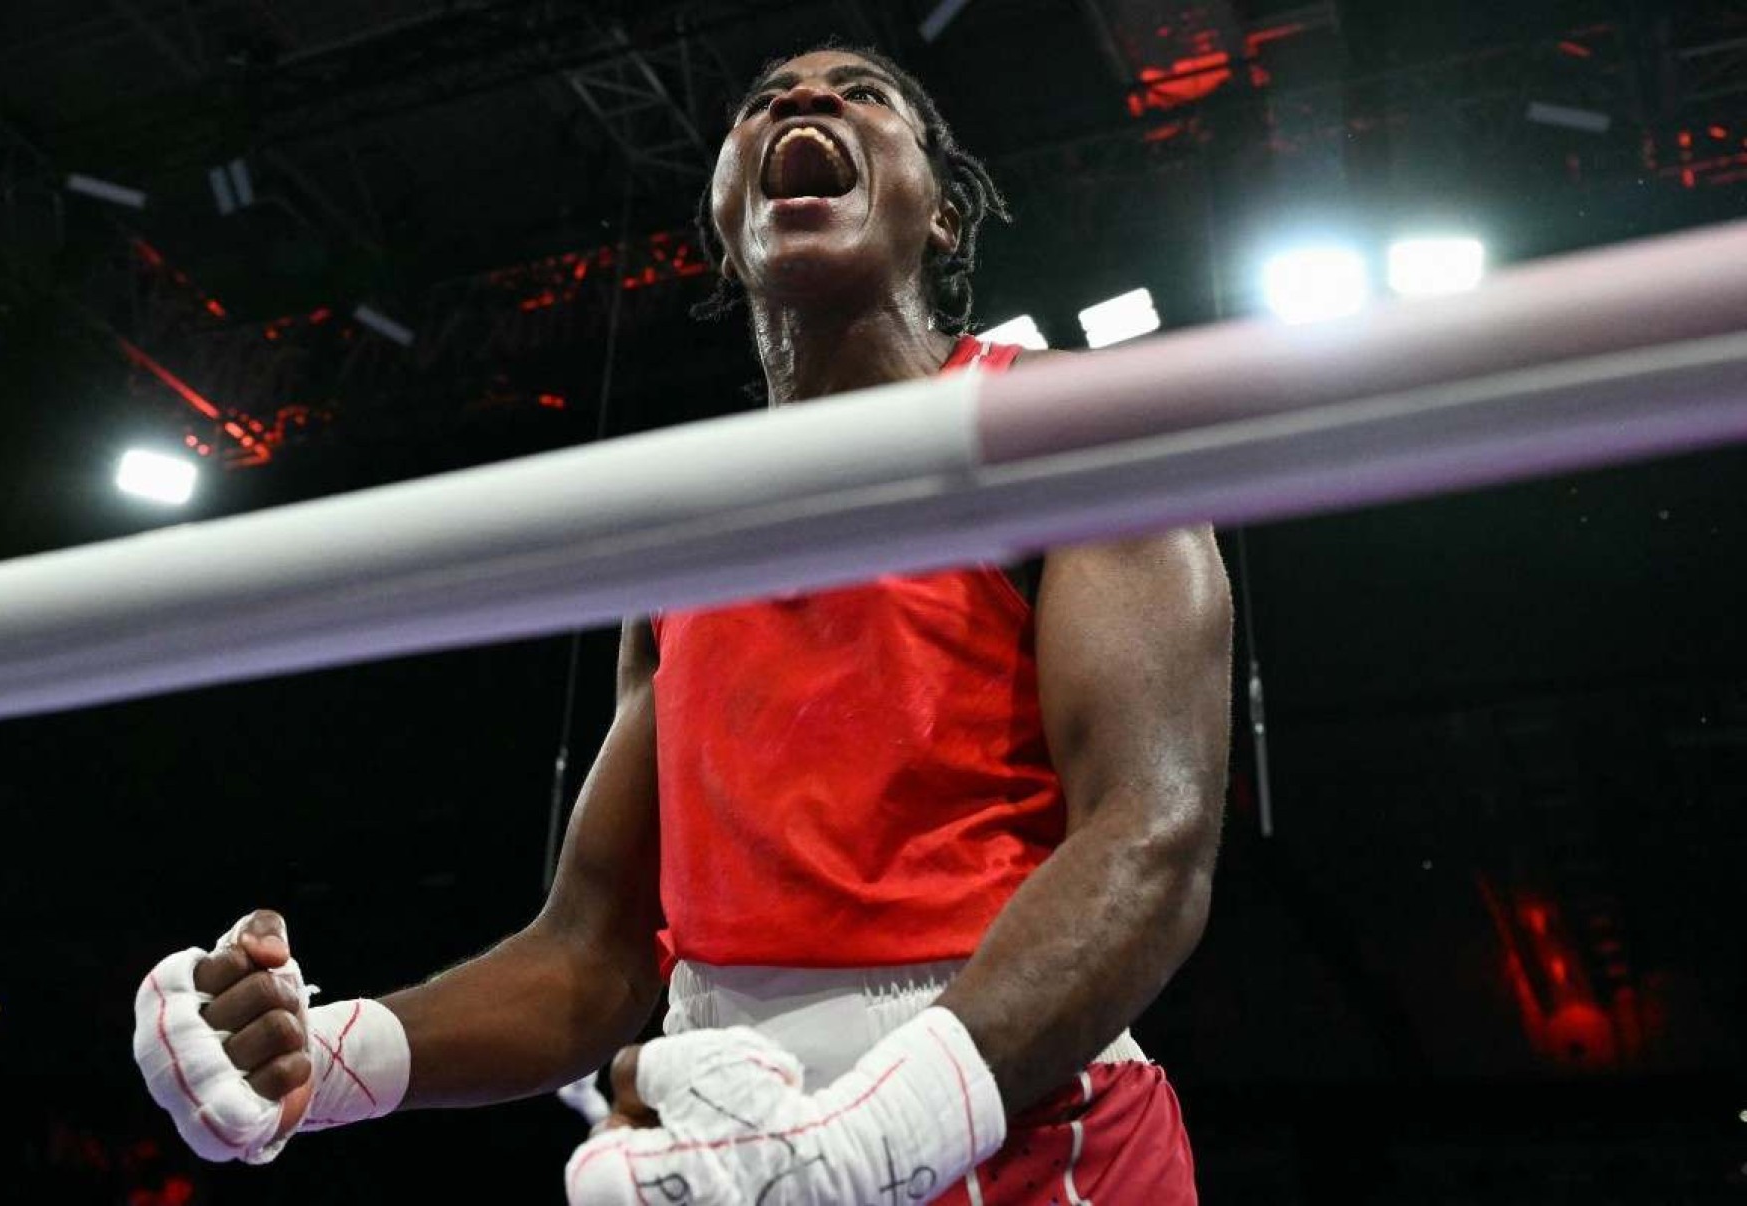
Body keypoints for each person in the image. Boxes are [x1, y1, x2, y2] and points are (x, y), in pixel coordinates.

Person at [132, 43, 1233, 1204]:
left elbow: (1150, 836)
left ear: (944, 215)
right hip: (727, 1137)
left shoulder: (1073, 424)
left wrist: (876, 1134)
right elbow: (593, 953)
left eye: (863, 95)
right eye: (762, 103)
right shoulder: (677, 543)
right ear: (725, 220)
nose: (804, 101)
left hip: (1021, 1127)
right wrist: (327, 1058)